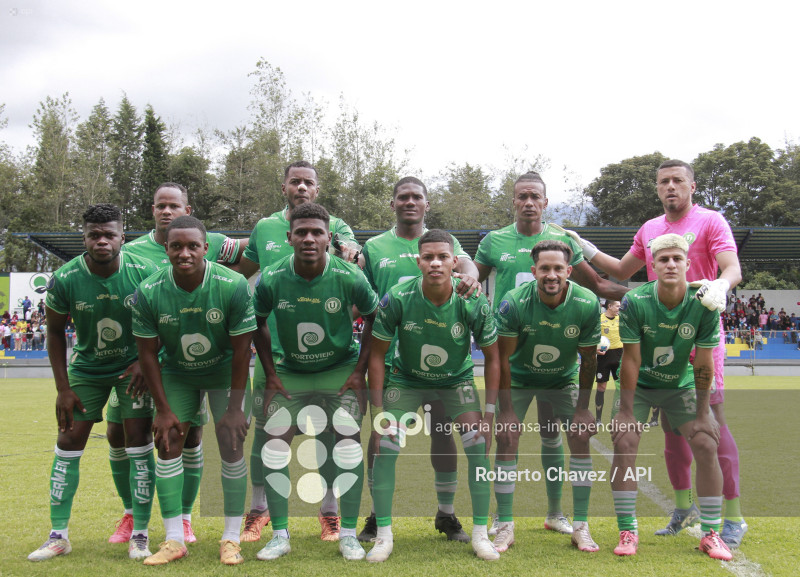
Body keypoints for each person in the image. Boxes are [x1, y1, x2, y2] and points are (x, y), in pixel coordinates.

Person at [562, 159, 747, 547]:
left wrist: (721, 287)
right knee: (670, 435)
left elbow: (732, 268)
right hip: (651, 337)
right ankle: (683, 508)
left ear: (692, 187)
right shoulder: (649, 228)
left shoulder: (711, 221)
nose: (671, 187)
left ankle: (732, 518)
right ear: (657, 188)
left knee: (710, 428)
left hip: (696, 334)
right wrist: (586, 248)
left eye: (678, 180)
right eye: (664, 182)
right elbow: (622, 271)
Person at [475, 171, 626, 537]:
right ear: (513, 201)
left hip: (558, 360)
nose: (528, 202)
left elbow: (599, 285)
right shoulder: (494, 241)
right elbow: (468, 281)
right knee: (508, 434)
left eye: (535, 197)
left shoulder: (561, 241)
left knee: (553, 436)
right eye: (521, 196)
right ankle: (503, 518)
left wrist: (656, 292)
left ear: (545, 202)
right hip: (515, 355)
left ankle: (557, 513)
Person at [236, 161, 361, 543]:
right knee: (268, 437)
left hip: (330, 358)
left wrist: (337, 318)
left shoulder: (336, 227)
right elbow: (245, 269)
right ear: (284, 187)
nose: (302, 187)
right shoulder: (264, 227)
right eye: (296, 182)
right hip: (275, 355)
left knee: (331, 435)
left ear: (317, 190)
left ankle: (330, 513)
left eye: (309, 182)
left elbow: (355, 273)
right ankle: (258, 513)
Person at [116, 181, 246, 544]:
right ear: (166, 249)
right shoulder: (149, 290)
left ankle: (231, 538)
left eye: (192, 246)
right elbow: (146, 353)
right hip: (176, 372)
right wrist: (161, 408)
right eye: (176, 246)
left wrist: (235, 408)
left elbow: (241, 352)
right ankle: (174, 539)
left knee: (232, 444)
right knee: (169, 440)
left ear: (207, 248)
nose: (184, 253)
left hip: (222, 372)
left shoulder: (233, 285)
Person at [28, 204, 158, 562]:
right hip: (86, 371)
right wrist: (63, 388)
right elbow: (54, 333)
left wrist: (143, 363)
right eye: (93, 235)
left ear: (122, 236)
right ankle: (58, 536)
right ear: (83, 237)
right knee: (68, 440)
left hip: (132, 371)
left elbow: (164, 321)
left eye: (109, 235)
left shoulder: (145, 271)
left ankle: (142, 534)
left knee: (138, 441)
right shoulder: (66, 277)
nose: (101, 242)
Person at [358, 176, 482, 543]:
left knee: (442, 433)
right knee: (381, 437)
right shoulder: (375, 247)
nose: (409, 202)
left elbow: (469, 268)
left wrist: (471, 279)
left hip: (444, 361)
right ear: (393, 203)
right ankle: (377, 515)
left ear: (427, 204)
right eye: (403, 197)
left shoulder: (447, 242)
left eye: (417, 197)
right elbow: (360, 296)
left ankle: (446, 514)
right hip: (395, 362)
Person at [251, 202, 378, 561]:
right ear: (289, 237)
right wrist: (271, 373)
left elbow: (373, 317)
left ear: (328, 238)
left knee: (348, 444)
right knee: (274, 446)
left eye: (317, 232)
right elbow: (257, 322)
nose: (309, 238)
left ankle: (348, 534)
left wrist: (358, 372)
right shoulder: (272, 277)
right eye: (302, 232)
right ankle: (279, 534)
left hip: (339, 370)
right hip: (289, 371)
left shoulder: (350, 276)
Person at [367, 229, 500, 562]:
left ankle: (481, 534)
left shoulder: (471, 298)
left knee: (477, 444)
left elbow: (494, 357)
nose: (436, 263)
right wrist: (378, 409)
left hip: (456, 381)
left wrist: (490, 414)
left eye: (443, 257)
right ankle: (383, 534)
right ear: (418, 261)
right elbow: (376, 354)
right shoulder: (396, 297)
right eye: (428, 257)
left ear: (455, 261)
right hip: (407, 379)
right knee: (385, 443)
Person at [609, 233, 732, 561]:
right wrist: (624, 411)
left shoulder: (704, 302)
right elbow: (631, 360)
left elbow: (704, 361)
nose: (671, 264)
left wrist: (704, 414)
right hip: (641, 385)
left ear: (688, 264)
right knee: (624, 441)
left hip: (680, 384)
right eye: (663, 259)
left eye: (677, 259)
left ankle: (710, 533)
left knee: (706, 442)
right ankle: (627, 529)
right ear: (653, 265)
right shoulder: (636, 301)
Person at [492, 239, 601, 554]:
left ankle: (578, 525)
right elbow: (502, 360)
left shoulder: (586, 302)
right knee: (507, 437)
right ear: (533, 271)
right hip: (520, 378)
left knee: (579, 436)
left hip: (562, 379)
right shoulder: (513, 303)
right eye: (544, 268)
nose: (551, 275)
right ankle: (505, 525)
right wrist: (508, 411)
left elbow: (590, 360)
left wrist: (583, 409)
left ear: (569, 271)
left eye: (557, 269)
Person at [595, 300, 622, 425]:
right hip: (604, 356)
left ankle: (619, 416)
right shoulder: (599, 319)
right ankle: (598, 419)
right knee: (602, 387)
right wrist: (595, 348)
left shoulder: (622, 319)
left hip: (619, 354)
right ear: (609, 306)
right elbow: (591, 336)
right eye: (617, 305)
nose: (619, 308)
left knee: (621, 387)